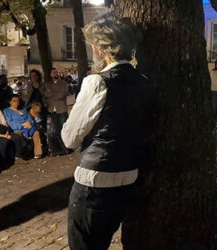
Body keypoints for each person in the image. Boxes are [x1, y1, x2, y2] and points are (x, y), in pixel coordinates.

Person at [61, 13, 152, 250]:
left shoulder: (97, 82)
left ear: (101, 49)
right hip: (128, 179)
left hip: (94, 183)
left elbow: (69, 139)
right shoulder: (143, 81)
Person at [45, 67, 68, 156]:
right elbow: (45, 94)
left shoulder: (63, 83)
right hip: (51, 110)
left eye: (56, 72)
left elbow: (62, 94)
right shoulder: (48, 84)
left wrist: (51, 94)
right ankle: (58, 148)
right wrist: (52, 94)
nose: (55, 74)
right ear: (51, 75)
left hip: (61, 109)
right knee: (54, 130)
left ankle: (66, 146)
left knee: (64, 128)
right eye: (53, 72)